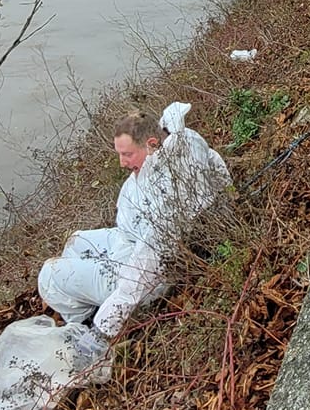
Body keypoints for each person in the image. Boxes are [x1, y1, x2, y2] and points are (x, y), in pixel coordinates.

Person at [37, 103, 230, 355]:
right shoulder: (179, 146)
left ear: (151, 144)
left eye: (127, 154)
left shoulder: (168, 194)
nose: (122, 163)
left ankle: (84, 322)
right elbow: (216, 171)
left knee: (49, 274)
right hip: (130, 241)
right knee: (76, 241)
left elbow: (145, 266)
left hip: (151, 274)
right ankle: (86, 299)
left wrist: (104, 328)